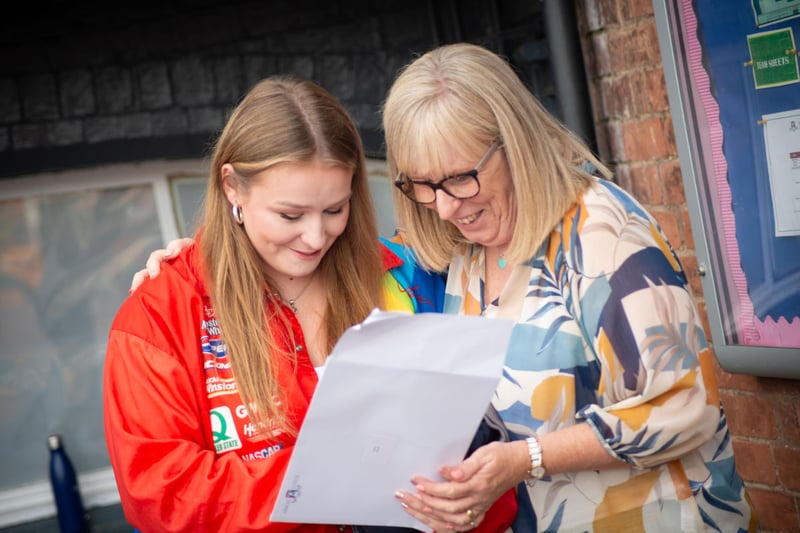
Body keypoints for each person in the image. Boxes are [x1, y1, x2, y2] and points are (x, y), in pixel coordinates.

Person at [131, 44, 757, 532]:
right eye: (420, 187)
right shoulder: (453, 258)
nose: (445, 206)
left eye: (459, 178)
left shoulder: (599, 235)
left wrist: (523, 460)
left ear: (513, 143)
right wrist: (212, 254)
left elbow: (686, 407)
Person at [105, 76, 516, 533]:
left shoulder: (407, 276)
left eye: (335, 209)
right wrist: (336, 476)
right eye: (290, 215)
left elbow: (478, 433)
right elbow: (162, 494)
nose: (316, 237)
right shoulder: (161, 312)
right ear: (232, 188)